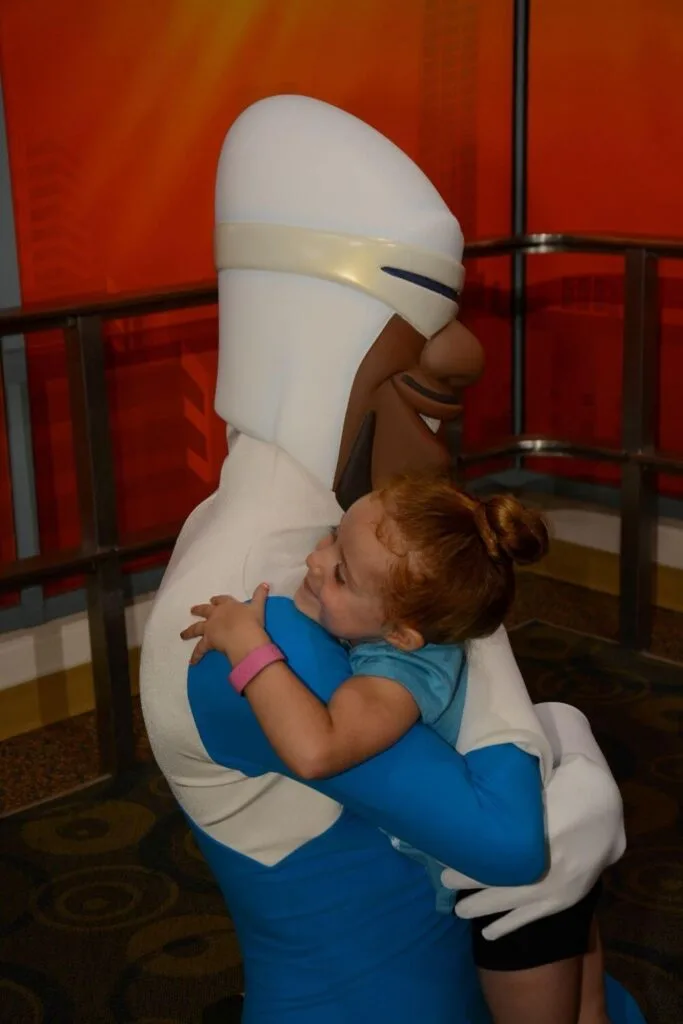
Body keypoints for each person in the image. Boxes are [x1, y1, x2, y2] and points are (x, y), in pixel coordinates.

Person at [140, 95, 641, 1023]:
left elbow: (435, 646)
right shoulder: (268, 605)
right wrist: (562, 755)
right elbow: (502, 839)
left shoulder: (340, 559)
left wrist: (560, 737)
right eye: (430, 401)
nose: (440, 455)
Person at [181, 470, 610, 1024]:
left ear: (403, 633)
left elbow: (318, 748)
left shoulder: (395, 675)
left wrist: (249, 647)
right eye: (333, 536)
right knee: (591, 1008)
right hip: (559, 832)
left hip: (520, 907)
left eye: (340, 575)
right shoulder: (408, 619)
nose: (314, 562)